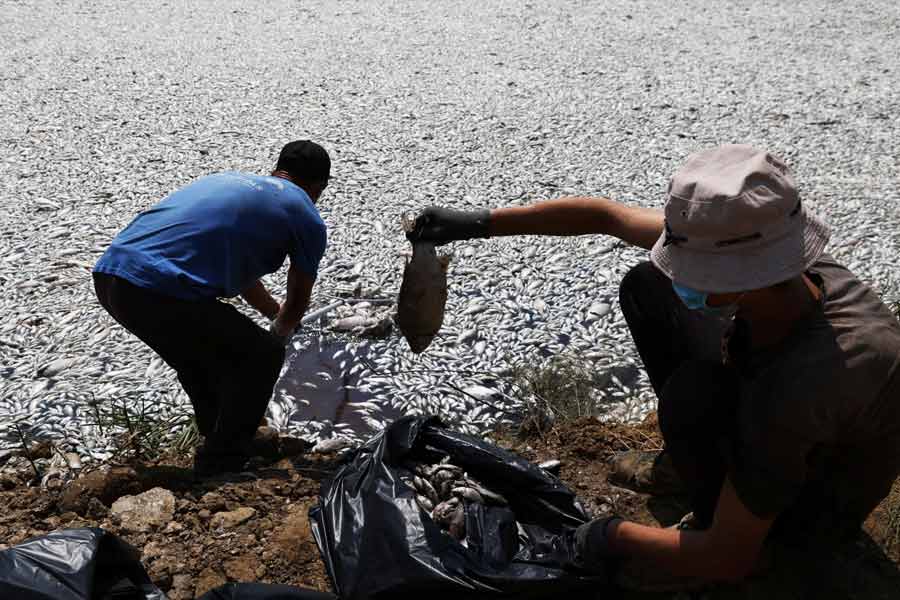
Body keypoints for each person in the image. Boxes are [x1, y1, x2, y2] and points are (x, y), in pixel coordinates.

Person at [406, 144, 900, 584]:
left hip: (806, 515)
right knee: (650, 285)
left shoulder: (801, 388)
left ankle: (728, 518)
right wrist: (475, 223)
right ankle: (694, 475)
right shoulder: (788, 271)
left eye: (697, 272)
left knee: (692, 396)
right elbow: (606, 216)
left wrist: (607, 536)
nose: (685, 275)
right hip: (789, 420)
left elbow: (726, 560)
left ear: (740, 274)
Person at [92, 140, 330, 476]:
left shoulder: (231, 182)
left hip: (111, 278)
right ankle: (223, 462)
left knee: (199, 360)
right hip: (158, 290)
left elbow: (245, 279)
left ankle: (219, 438)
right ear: (320, 185)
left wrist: (270, 313)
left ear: (278, 169)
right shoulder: (306, 213)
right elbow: (299, 299)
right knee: (261, 355)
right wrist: (279, 333)